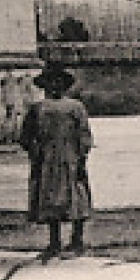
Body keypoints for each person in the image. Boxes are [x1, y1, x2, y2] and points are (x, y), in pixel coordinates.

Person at [18, 64, 94, 259]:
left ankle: (77, 240)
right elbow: (25, 136)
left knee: (76, 197)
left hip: (71, 158)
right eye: (51, 83)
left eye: (58, 83)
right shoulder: (37, 109)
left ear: (64, 86)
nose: (55, 87)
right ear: (45, 86)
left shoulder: (76, 107)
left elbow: (84, 134)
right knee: (50, 199)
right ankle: (55, 242)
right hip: (47, 160)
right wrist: (35, 152)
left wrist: (82, 156)